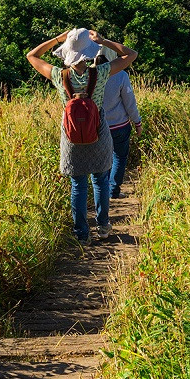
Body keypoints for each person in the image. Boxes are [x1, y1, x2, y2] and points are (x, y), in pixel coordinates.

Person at [26, 27, 138, 243]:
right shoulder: (100, 73)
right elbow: (131, 55)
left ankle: (82, 234)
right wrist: (103, 41)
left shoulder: (59, 75)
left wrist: (58, 39)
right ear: (88, 52)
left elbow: (32, 56)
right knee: (100, 180)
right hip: (98, 132)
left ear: (67, 51)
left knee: (78, 185)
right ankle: (103, 227)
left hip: (72, 136)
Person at [99, 61, 142, 215]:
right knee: (119, 156)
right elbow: (130, 103)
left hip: (98, 127)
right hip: (119, 125)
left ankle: (101, 192)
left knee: (102, 160)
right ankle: (113, 190)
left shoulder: (89, 75)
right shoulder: (120, 75)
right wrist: (137, 122)